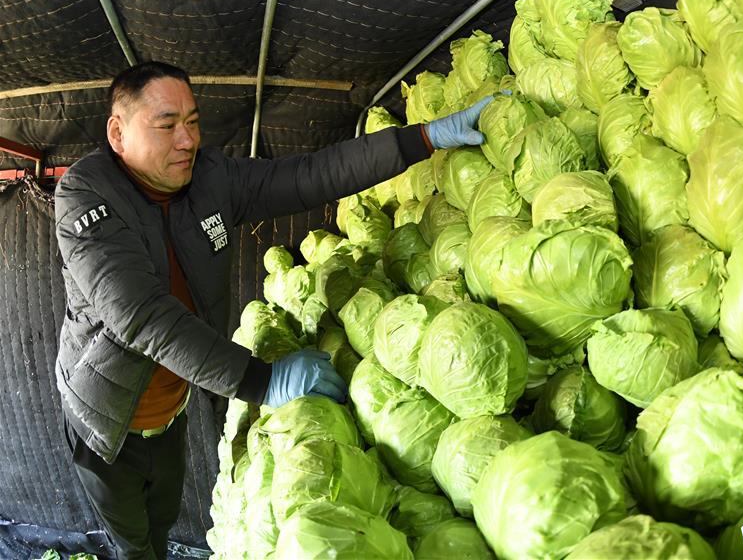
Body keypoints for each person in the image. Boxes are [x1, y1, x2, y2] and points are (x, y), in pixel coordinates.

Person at [54, 60, 494, 559]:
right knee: (134, 543)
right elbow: (140, 315)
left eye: (194, 122)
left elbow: (309, 176)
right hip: (106, 418)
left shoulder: (209, 180)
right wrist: (263, 382)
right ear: (118, 132)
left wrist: (423, 140)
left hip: (171, 407)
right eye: (167, 125)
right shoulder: (84, 195)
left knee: (164, 517)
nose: (187, 140)